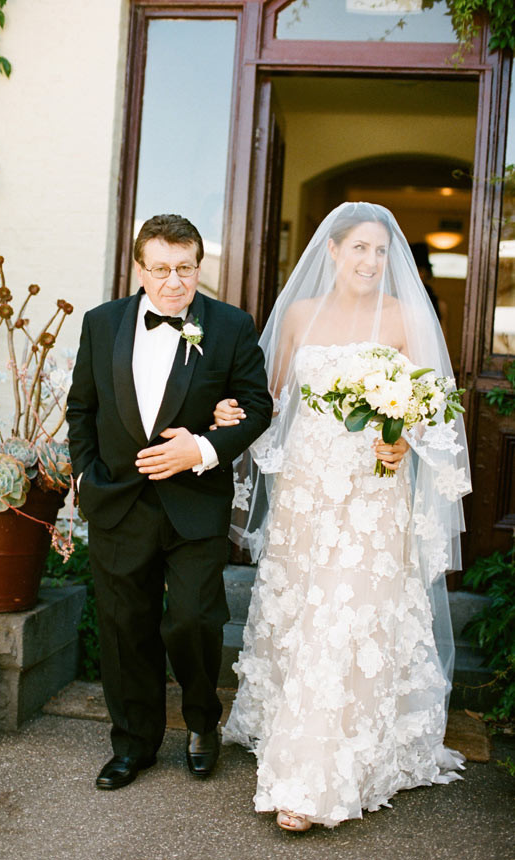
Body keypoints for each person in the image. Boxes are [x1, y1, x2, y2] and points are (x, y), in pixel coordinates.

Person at [215, 203, 471, 831]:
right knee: (306, 612)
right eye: (358, 248)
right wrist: (231, 414)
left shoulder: (407, 317)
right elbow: (268, 403)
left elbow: (433, 410)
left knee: (348, 616)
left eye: (380, 251)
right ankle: (297, 734)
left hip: (372, 496)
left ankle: (314, 779)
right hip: (306, 493)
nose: (369, 261)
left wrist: (403, 437)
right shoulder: (299, 315)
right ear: (331, 252)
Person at [66, 214, 273, 790]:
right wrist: (84, 477)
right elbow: (81, 408)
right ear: (140, 269)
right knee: (124, 625)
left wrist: (203, 448)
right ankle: (134, 743)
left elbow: (257, 408)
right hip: (118, 500)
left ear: (199, 267)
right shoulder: (101, 323)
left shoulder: (229, 326)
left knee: (192, 621)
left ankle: (203, 723)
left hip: (194, 502)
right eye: (161, 269)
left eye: (185, 269)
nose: (174, 282)